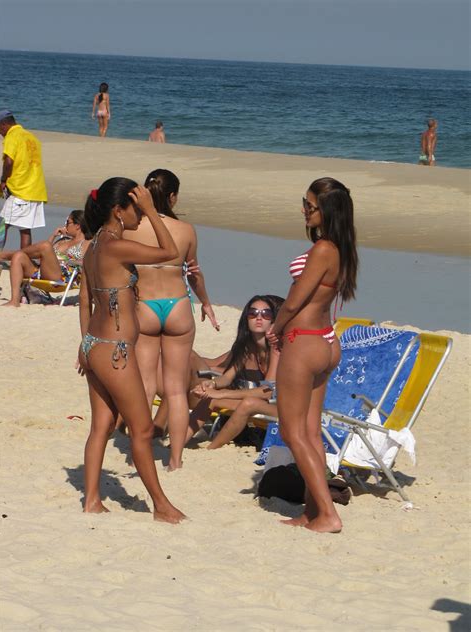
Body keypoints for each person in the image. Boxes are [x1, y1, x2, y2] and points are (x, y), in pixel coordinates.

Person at [78, 177, 185, 523]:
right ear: (118, 210)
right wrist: (156, 213)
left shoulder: (93, 247)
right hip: (115, 352)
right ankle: (161, 506)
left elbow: (85, 303)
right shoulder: (114, 247)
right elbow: (171, 253)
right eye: (135, 208)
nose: (140, 213)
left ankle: (92, 500)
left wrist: (83, 345)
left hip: (95, 346)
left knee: (101, 428)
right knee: (140, 430)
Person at [267, 177, 358, 533]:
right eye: (304, 202)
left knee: (292, 433)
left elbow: (295, 299)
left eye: (310, 205)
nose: (303, 209)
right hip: (324, 340)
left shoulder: (323, 250)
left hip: (304, 341)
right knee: (310, 431)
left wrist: (276, 328)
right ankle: (312, 511)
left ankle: (329, 514)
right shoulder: (341, 248)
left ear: (327, 210)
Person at [123, 168, 218, 471]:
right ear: (174, 197)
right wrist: (205, 302)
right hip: (177, 304)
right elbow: (195, 274)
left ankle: (140, 449)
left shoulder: (131, 228)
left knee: (147, 383)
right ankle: (175, 459)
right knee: (176, 389)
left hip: (145, 305)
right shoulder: (186, 230)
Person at [185, 295, 282, 448]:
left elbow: (267, 392)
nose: (259, 318)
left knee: (248, 403)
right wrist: (212, 384)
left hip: (283, 408)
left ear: (272, 320)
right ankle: (178, 444)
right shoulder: (248, 347)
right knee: (210, 399)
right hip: (260, 404)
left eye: (265, 314)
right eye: (253, 313)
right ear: (246, 318)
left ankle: (212, 448)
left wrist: (221, 393)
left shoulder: (277, 349)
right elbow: (227, 378)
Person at [0, 210, 90, 307]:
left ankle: (4, 255)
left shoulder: (86, 242)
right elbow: (44, 253)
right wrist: (53, 236)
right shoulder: (63, 241)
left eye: (68, 222)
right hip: (42, 271)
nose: (65, 225)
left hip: (62, 276)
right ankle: (14, 301)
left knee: (45, 246)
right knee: (19, 257)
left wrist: (66, 261)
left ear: (77, 226)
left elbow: (88, 263)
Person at [0, 110, 47, 249]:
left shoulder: (12, 136)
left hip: (21, 191)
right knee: (24, 230)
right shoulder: (31, 137)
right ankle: (24, 262)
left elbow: (8, 162)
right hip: (35, 190)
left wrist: (3, 180)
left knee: (1, 225)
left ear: (4, 124)